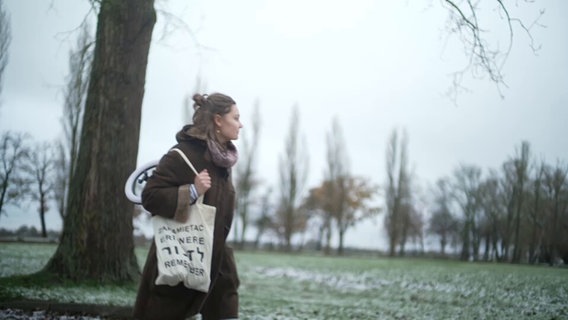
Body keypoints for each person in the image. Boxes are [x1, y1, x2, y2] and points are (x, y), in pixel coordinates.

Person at [133, 92, 243, 320]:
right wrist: (191, 191)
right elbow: (150, 196)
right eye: (236, 117)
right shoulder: (183, 154)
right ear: (218, 120)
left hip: (216, 263)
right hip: (183, 254)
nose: (240, 125)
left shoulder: (222, 161)